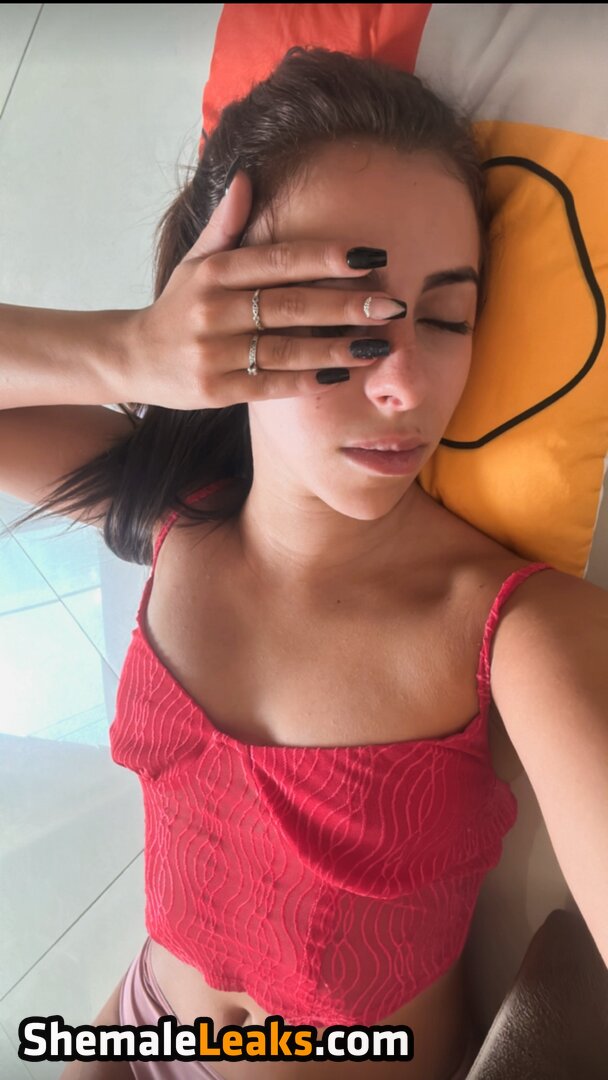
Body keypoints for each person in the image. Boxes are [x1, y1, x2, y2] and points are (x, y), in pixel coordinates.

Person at [3, 46, 560, 1080]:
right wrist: (126, 351)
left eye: (446, 318)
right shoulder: (176, 517)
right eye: (337, 317)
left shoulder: (514, 628)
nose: (405, 387)